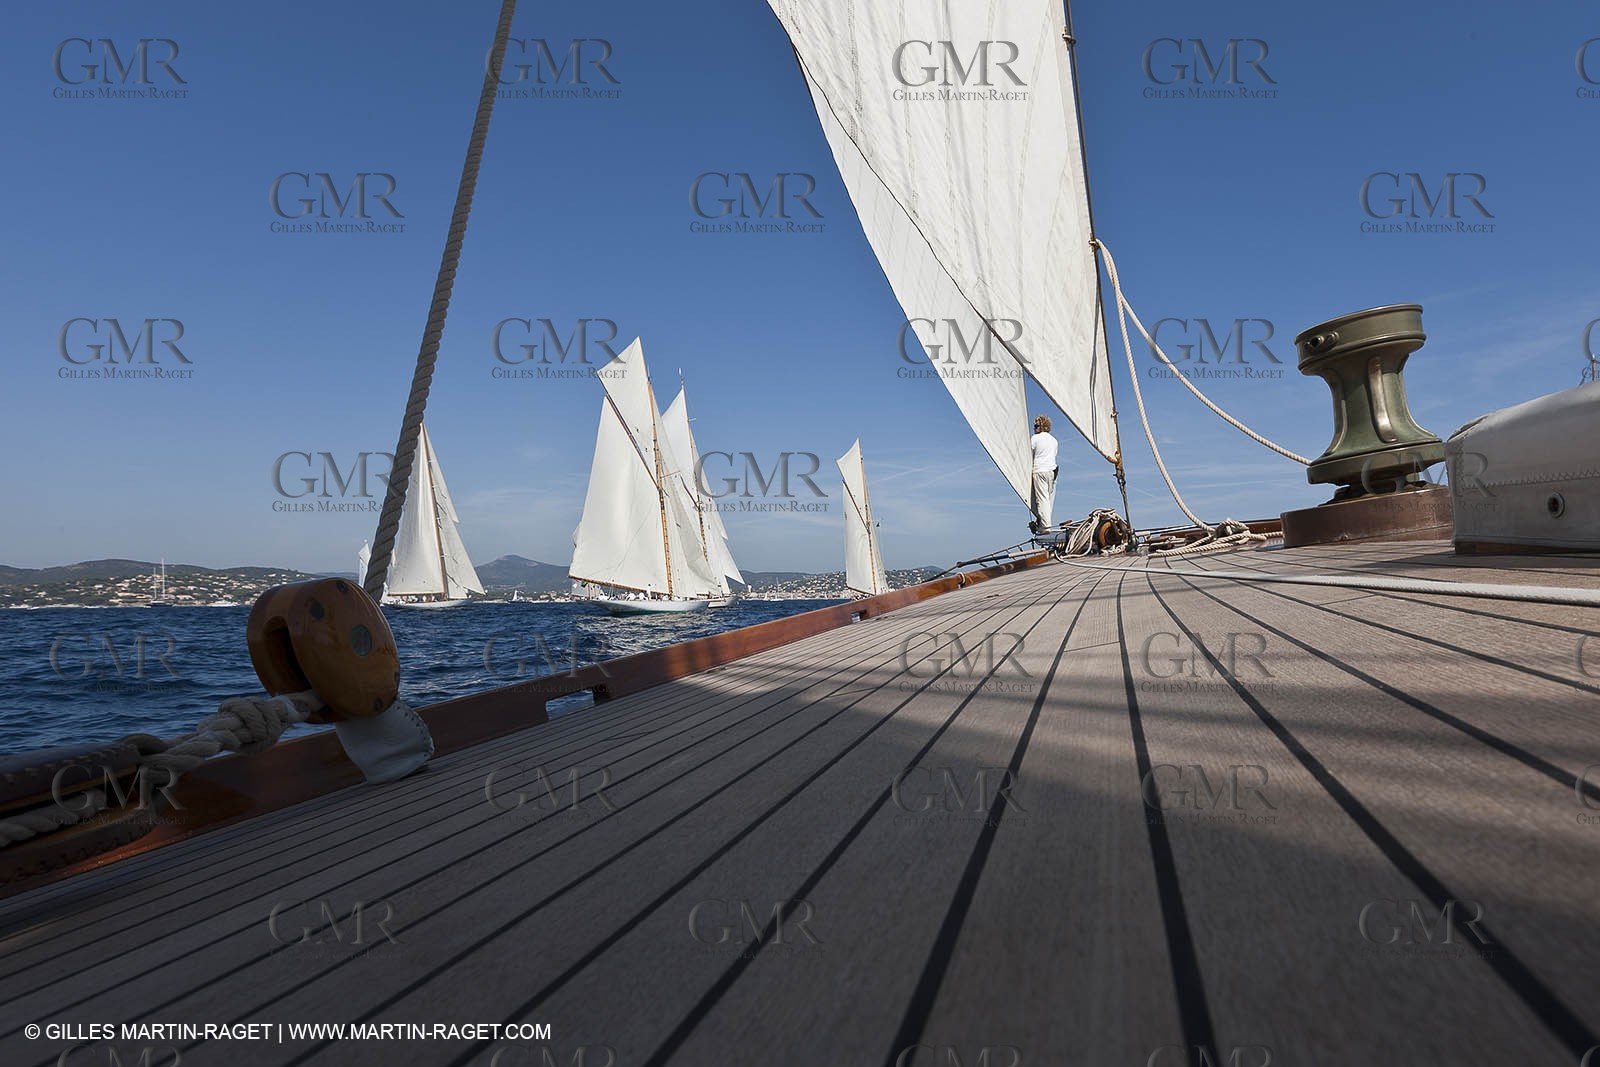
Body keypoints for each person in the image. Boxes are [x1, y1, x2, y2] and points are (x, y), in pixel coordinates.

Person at [1029, 414, 1058, 535]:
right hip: (1052, 471)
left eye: (1036, 426)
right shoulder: (1054, 440)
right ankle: (1044, 523)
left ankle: (1045, 527)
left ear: (1041, 426)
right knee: (1048, 499)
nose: (1034, 428)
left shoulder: (1035, 439)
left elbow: (1028, 453)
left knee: (1042, 500)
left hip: (1039, 470)